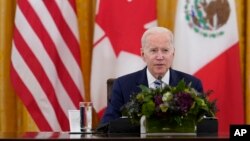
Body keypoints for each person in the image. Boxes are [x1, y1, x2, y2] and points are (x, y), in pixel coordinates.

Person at [100, 26, 203, 125]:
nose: (159, 57)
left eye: (165, 50)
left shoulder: (192, 85)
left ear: (173, 54)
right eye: (153, 50)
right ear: (143, 54)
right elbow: (107, 126)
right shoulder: (122, 85)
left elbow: (205, 127)